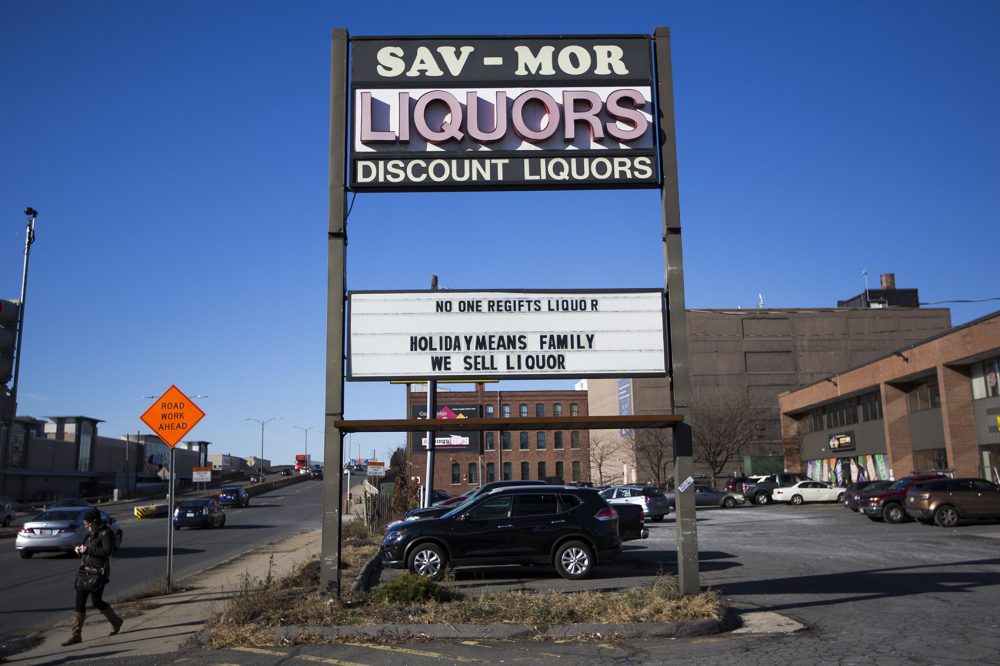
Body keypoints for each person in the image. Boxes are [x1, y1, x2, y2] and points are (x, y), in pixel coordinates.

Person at [62, 508, 123, 646]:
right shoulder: (90, 534)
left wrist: (87, 549)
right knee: (79, 602)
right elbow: (84, 547)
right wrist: (78, 549)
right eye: (85, 524)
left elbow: (106, 552)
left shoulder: (106, 533)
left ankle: (116, 621)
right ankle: (76, 635)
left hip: (98, 573)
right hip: (84, 572)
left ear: (95, 522)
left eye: (87, 524)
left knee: (96, 602)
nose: (86, 526)